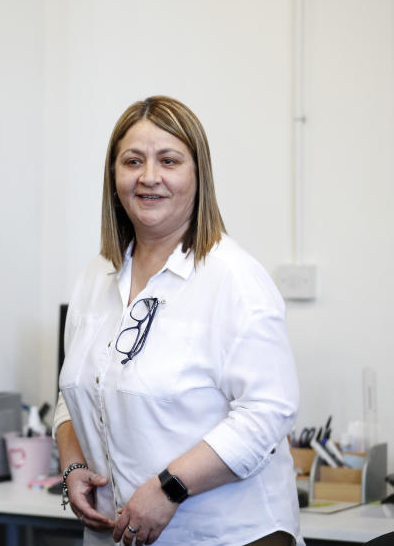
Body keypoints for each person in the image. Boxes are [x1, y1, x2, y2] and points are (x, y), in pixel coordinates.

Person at [54, 96, 301, 546]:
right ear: (113, 177)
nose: (149, 177)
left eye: (168, 160)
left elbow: (268, 414)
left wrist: (170, 487)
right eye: (133, 161)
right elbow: (74, 394)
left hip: (227, 536)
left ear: (197, 175)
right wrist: (71, 466)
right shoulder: (96, 276)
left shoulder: (234, 278)